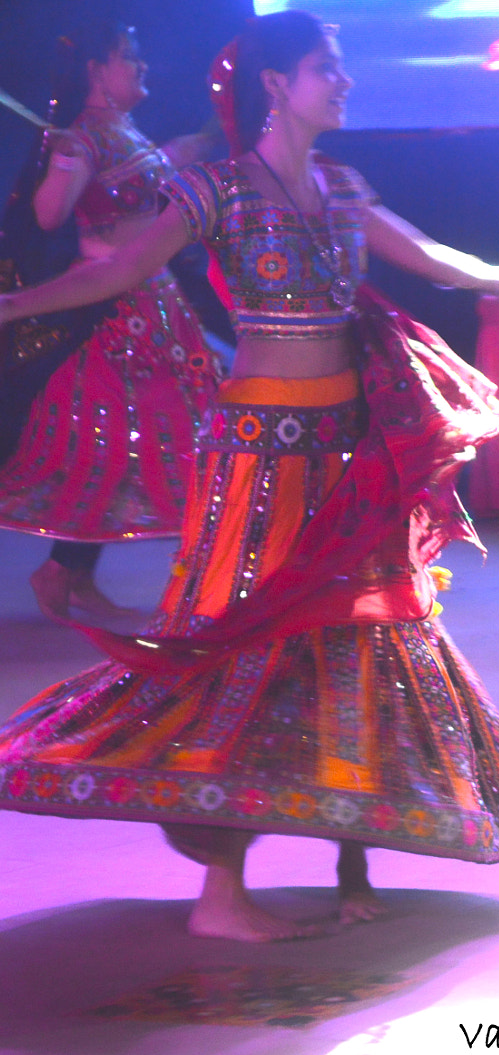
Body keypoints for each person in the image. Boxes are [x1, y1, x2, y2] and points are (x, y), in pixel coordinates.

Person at [0, 11, 499, 942]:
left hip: (346, 459)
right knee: (241, 649)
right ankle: (222, 897)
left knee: (362, 644)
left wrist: (496, 275)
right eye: (325, 69)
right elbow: (119, 272)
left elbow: (425, 254)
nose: (342, 82)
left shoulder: (341, 186)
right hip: (257, 459)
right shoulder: (213, 186)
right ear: (274, 84)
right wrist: (15, 302)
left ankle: (353, 868)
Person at [0, 21, 219, 621]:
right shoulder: (81, 139)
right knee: (128, 444)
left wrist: (189, 146)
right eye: (130, 58)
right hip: (115, 315)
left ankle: (66, 573)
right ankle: (68, 572)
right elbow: (49, 216)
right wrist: (65, 163)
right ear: (97, 72)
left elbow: (149, 175)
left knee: (134, 448)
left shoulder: (122, 130)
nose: (142, 66)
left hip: (159, 308)